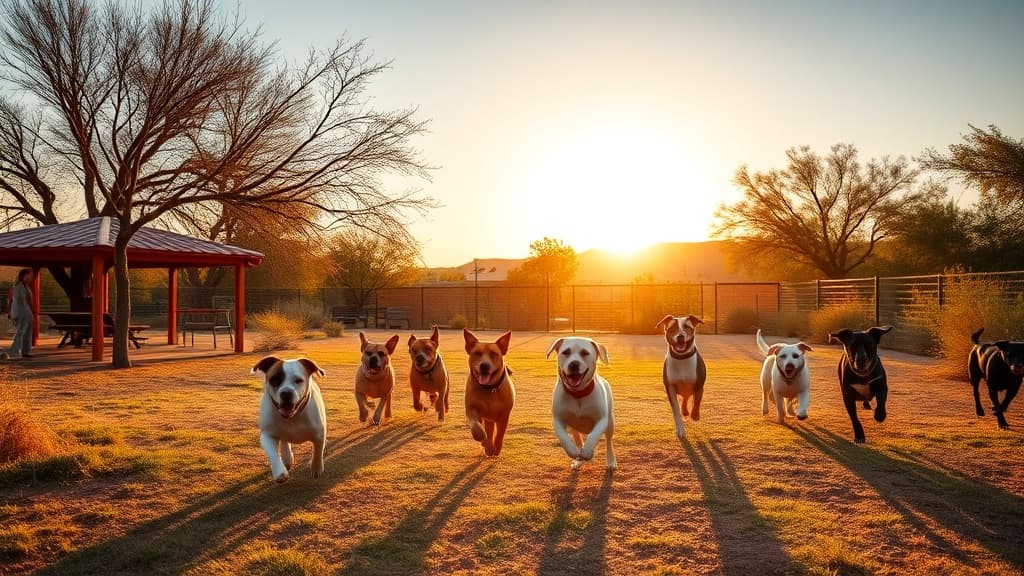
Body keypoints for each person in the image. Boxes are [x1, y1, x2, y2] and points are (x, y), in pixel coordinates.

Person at [6, 268, 35, 359]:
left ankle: (26, 351)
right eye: (30, 275)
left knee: (27, 332)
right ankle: (15, 351)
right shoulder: (17, 288)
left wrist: (32, 312)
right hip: (21, 312)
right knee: (21, 331)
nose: (31, 278)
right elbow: (15, 301)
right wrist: (10, 312)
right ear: (24, 276)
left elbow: (29, 302)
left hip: (27, 313)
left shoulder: (27, 288)